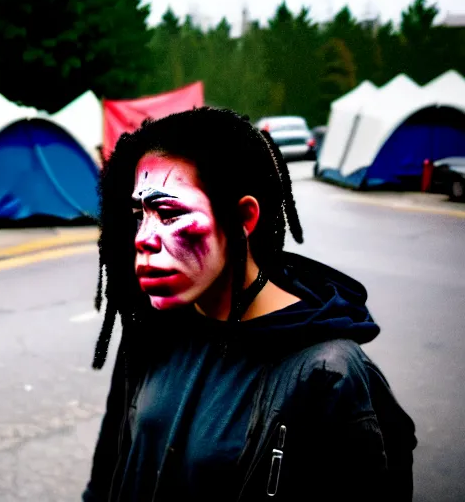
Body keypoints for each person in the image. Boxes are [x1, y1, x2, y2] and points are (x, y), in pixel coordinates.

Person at [83, 107, 417, 502]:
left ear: (243, 217)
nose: (143, 237)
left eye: (169, 213)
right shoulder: (151, 330)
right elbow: (108, 473)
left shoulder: (328, 375)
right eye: (140, 214)